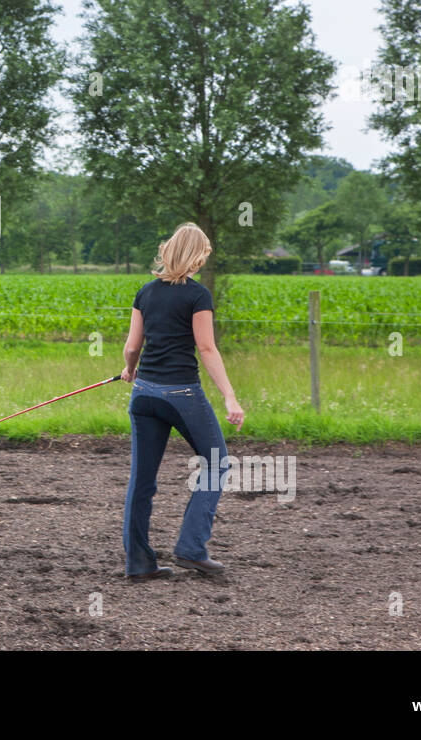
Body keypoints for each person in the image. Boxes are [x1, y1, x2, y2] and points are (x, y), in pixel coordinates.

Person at [120, 223, 244, 581]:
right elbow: (206, 348)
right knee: (217, 463)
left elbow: (132, 347)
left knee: (141, 482)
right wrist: (230, 396)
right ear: (197, 255)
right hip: (182, 394)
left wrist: (130, 370)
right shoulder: (198, 296)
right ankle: (191, 548)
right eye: (204, 254)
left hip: (143, 394)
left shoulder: (144, 292)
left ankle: (139, 564)